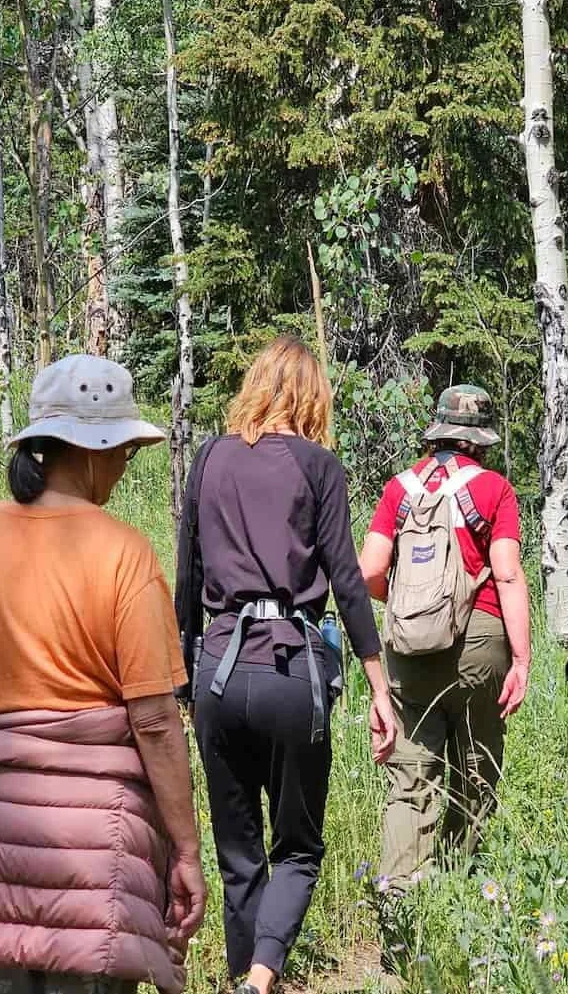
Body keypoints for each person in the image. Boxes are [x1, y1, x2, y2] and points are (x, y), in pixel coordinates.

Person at [0, 355, 207, 994]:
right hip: (96, 863)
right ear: (87, 452)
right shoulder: (126, 555)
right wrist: (187, 852)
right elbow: (153, 720)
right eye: (120, 451)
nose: (123, 466)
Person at [175, 336, 396, 994]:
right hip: (291, 667)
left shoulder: (208, 457)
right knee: (296, 845)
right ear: (311, 397)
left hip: (217, 664)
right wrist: (379, 686)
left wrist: (180, 682)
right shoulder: (317, 465)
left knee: (238, 854)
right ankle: (263, 976)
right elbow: (349, 583)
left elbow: (185, 578)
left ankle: (248, 974)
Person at [359, 385, 531, 893]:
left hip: (409, 650)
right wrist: (521, 658)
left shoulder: (400, 489)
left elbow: (369, 572)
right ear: (479, 441)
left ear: (437, 432)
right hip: (479, 642)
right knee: (475, 771)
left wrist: (415, 610)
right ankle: (452, 888)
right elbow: (507, 574)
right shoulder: (493, 490)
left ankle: (398, 903)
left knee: (411, 781)